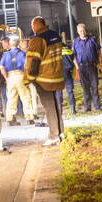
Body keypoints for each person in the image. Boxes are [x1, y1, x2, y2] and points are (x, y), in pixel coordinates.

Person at [24, 16, 65, 146]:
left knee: (49, 107)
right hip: (56, 75)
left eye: (32, 26)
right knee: (56, 105)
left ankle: (53, 136)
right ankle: (60, 132)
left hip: (44, 79)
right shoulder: (55, 35)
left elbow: (34, 60)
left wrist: (29, 78)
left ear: (35, 25)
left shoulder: (38, 39)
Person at [0, 34, 36, 126]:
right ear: (18, 43)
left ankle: (10, 119)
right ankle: (29, 118)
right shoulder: (22, 53)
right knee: (25, 97)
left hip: (10, 77)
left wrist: (6, 77)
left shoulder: (6, 54)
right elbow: (27, 65)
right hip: (20, 76)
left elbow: (1, 67)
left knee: (11, 98)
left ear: (10, 44)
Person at [72, 23, 102, 111]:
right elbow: (73, 56)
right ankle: (87, 107)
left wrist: (100, 63)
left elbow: (98, 52)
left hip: (92, 66)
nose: (82, 32)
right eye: (80, 31)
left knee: (94, 86)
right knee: (85, 88)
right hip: (81, 67)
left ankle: (97, 106)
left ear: (86, 30)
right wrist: (77, 67)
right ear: (78, 32)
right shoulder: (75, 42)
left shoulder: (92, 40)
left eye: (83, 30)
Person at [59, 37, 77, 115]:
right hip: (68, 73)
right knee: (70, 91)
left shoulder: (55, 50)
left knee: (59, 92)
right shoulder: (68, 49)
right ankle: (73, 109)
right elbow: (73, 58)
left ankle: (59, 110)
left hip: (59, 74)